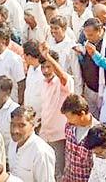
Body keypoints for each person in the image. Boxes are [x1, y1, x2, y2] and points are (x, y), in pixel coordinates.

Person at [37, 42, 74, 180]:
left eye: (49, 66)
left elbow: (63, 77)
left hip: (59, 136)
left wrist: (48, 56)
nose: (46, 70)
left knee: (57, 172)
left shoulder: (64, 81)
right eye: (43, 67)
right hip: (45, 133)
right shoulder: (44, 83)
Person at [78, 18, 106, 118]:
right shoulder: (87, 40)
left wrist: (95, 55)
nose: (88, 37)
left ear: (100, 30)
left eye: (91, 35)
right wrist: (81, 53)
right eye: (86, 34)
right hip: (90, 88)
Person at [8, 106, 56, 182]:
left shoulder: (41, 152)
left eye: (21, 125)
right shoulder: (13, 143)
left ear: (32, 126)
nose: (15, 130)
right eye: (13, 124)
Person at [60, 94, 98, 182]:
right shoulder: (69, 127)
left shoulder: (97, 134)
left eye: (70, 117)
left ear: (82, 114)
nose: (68, 121)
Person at [0, 27, 25, 103]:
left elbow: (21, 84)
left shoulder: (14, 59)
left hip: (10, 104)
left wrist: (20, 104)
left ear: (3, 42)